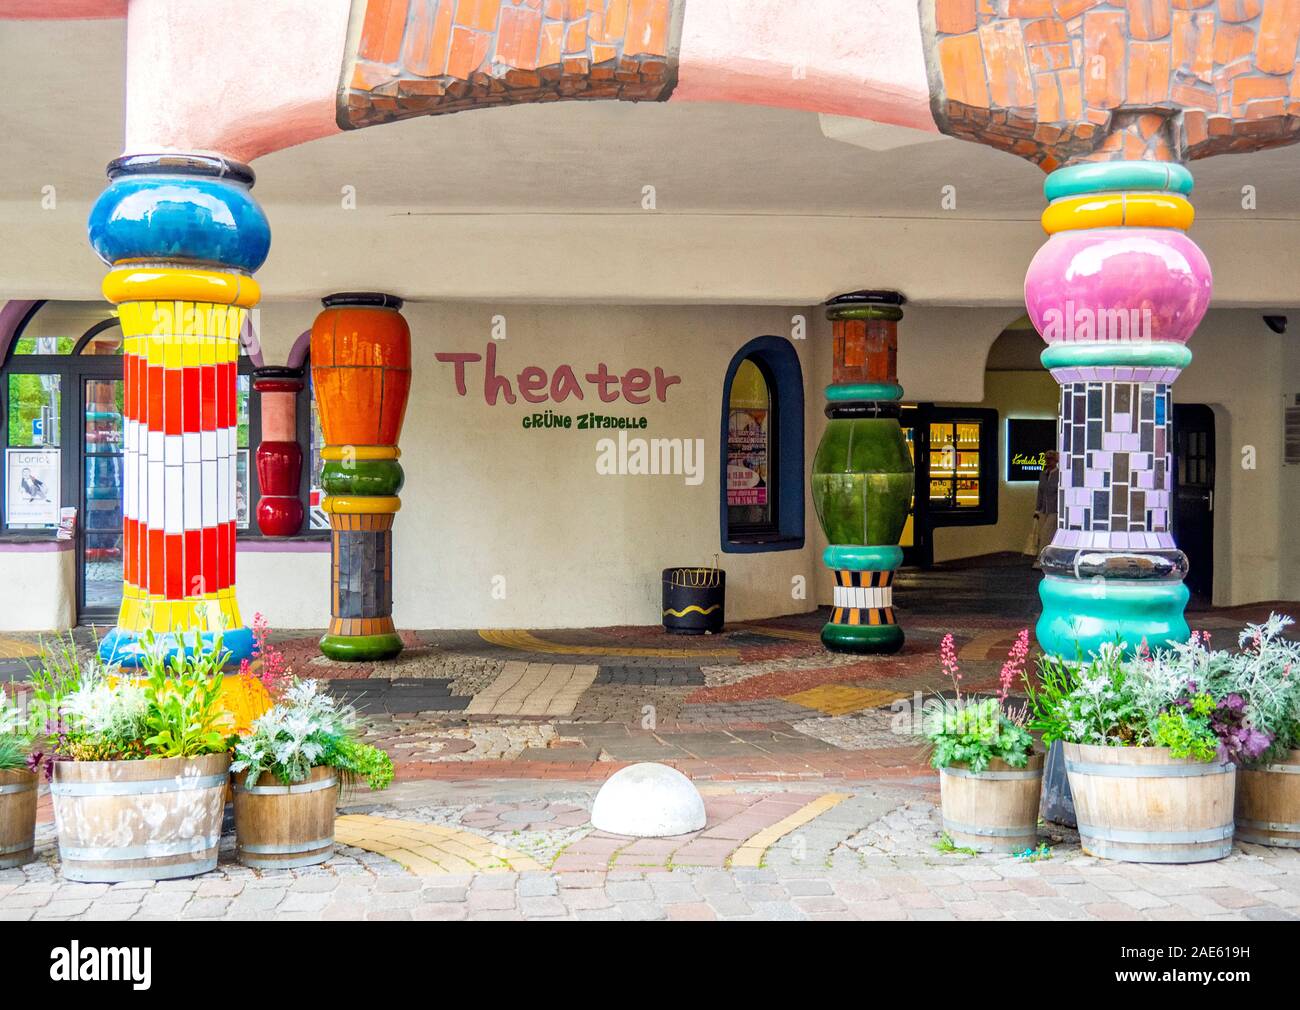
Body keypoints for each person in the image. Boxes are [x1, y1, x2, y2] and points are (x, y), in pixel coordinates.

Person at [1028, 450, 1059, 568]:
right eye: (1047, 459)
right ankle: (1050, 559)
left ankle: (1040, 559)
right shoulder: (1043, 474)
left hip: (1055, 510)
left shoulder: (1059, 474)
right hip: (1044, 510)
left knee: (1046, 534)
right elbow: (1040, 492)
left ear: (1056, 461)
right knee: (1047, 535)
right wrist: (1037, 509)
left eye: (1051, 459)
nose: (1048, 461)